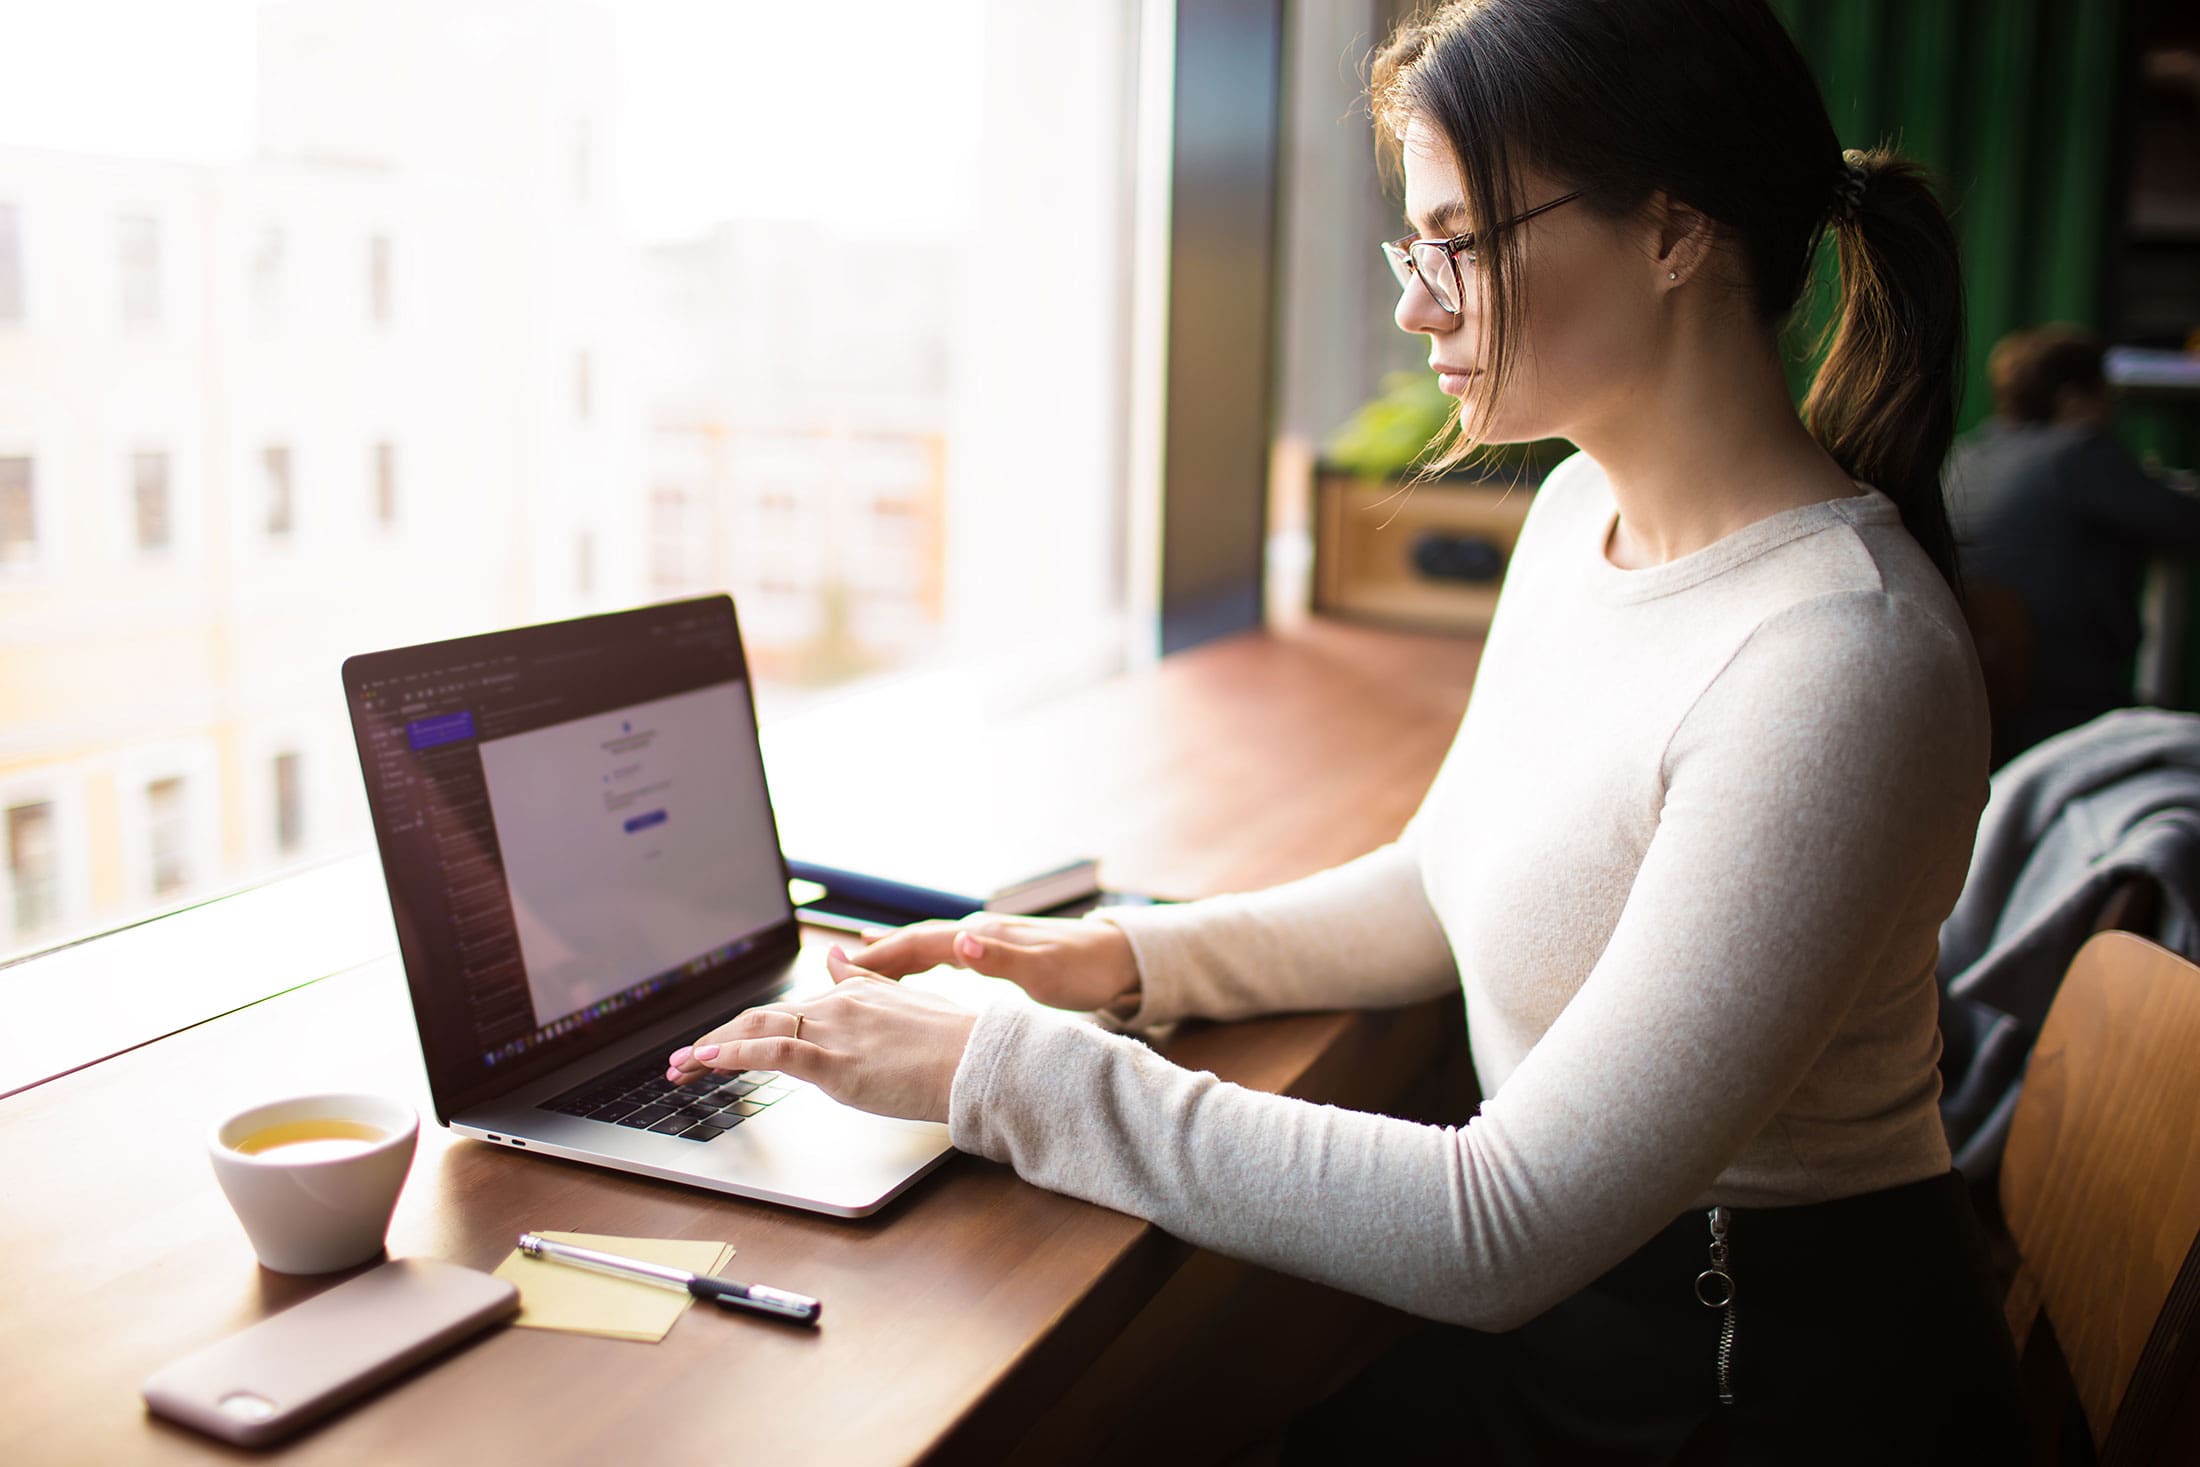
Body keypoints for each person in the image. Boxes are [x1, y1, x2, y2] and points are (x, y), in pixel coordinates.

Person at [666, 1, 2026, 1458]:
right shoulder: (1581, 515)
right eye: (1411, 248)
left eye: (1460, 243)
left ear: (1674, 232)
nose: (1416, 307)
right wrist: (1125, 958)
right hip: (1587, 1334)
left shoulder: (1836, 659)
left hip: (1741, 1384)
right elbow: (1443, 876)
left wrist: (990, 1069)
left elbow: (1497, 1226)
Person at [1947, 324, 2200, 766]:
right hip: (2064, 701)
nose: (2111, 414)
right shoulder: (2078, 454)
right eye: (2106, 399)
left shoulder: (1964, 457)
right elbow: (2185, 523)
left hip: (1979, 694)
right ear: (2073, 401)